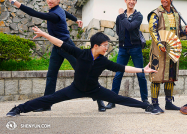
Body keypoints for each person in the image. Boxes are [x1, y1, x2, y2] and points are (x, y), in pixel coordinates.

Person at [6, 26, 158, 117]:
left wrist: (142, 70)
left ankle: (147, 106)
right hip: (75, 88)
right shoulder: (81, 54)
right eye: (105, 45)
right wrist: (44, 34)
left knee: (119, 98)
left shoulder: (103, 61)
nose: (107, 48)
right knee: (49, 98)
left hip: (95, 90)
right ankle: (18, 109)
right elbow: (60, 43)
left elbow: (122, 68)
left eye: (107, 45)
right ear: (96, 46)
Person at [8, 0, 83, 112]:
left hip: (67, 47)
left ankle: (100, 101)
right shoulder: (58, 10)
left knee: (82, 72)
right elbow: (65, 12)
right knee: (51, 76)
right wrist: (76, 19)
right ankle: (46, 104)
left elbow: (35, 13)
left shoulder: (54, 15)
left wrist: (14, 2)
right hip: (56, 47)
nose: (49, 0)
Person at [147, 0, 187, 114]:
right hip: (159, 49)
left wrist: (186, 32)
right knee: (156, 75)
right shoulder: (156, 13)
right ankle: (155, 104)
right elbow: (152, 30)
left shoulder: (176, 14)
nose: (164, 0)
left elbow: (178, 33)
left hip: (172, 49)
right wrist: (159, 43)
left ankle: (168, 102)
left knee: (170, 76)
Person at [105, 0, 149, 110]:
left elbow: (129, 27)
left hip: (135, 48)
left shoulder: (138, 16)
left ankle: (145, 100)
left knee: (141, 74)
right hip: (123, 49)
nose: (131, 2)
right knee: (118, 73)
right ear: (125, 1)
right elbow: (119, 31)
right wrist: (122, 17)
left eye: (133, 0)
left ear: (135, 2)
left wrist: (122, 16)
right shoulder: (120, 17)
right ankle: (112, 100)